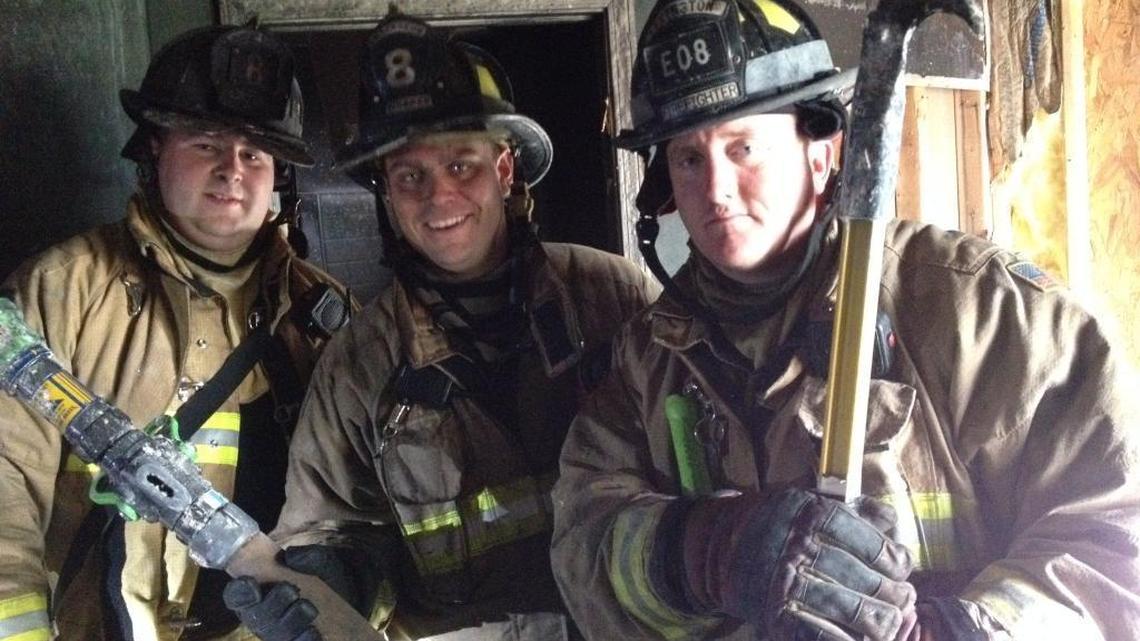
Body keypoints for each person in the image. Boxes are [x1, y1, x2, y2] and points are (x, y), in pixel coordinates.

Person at [550, 0, 1140, 640]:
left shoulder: (982, 314)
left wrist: (953, 632)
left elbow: (1116, 539)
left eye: (743, 147)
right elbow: (585, 549)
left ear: (820, 155)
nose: (715, 188)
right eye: (688, 158)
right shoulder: (649, 358)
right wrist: (706, 551)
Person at [221, 9, 661, 641]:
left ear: (504, 171)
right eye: (410, 176)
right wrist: (320, 584)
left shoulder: (613, 299)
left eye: (461, 166)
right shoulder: (359, 363)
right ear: (387, 193)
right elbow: (333, 528)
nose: (438, 197)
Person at [0, 24, 351, 640]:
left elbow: (359, 506)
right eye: (207, 143)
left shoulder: (322, 313)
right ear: (154, 150)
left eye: (254, 153)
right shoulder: (64, 291)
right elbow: (6, 488)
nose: (232, 170)